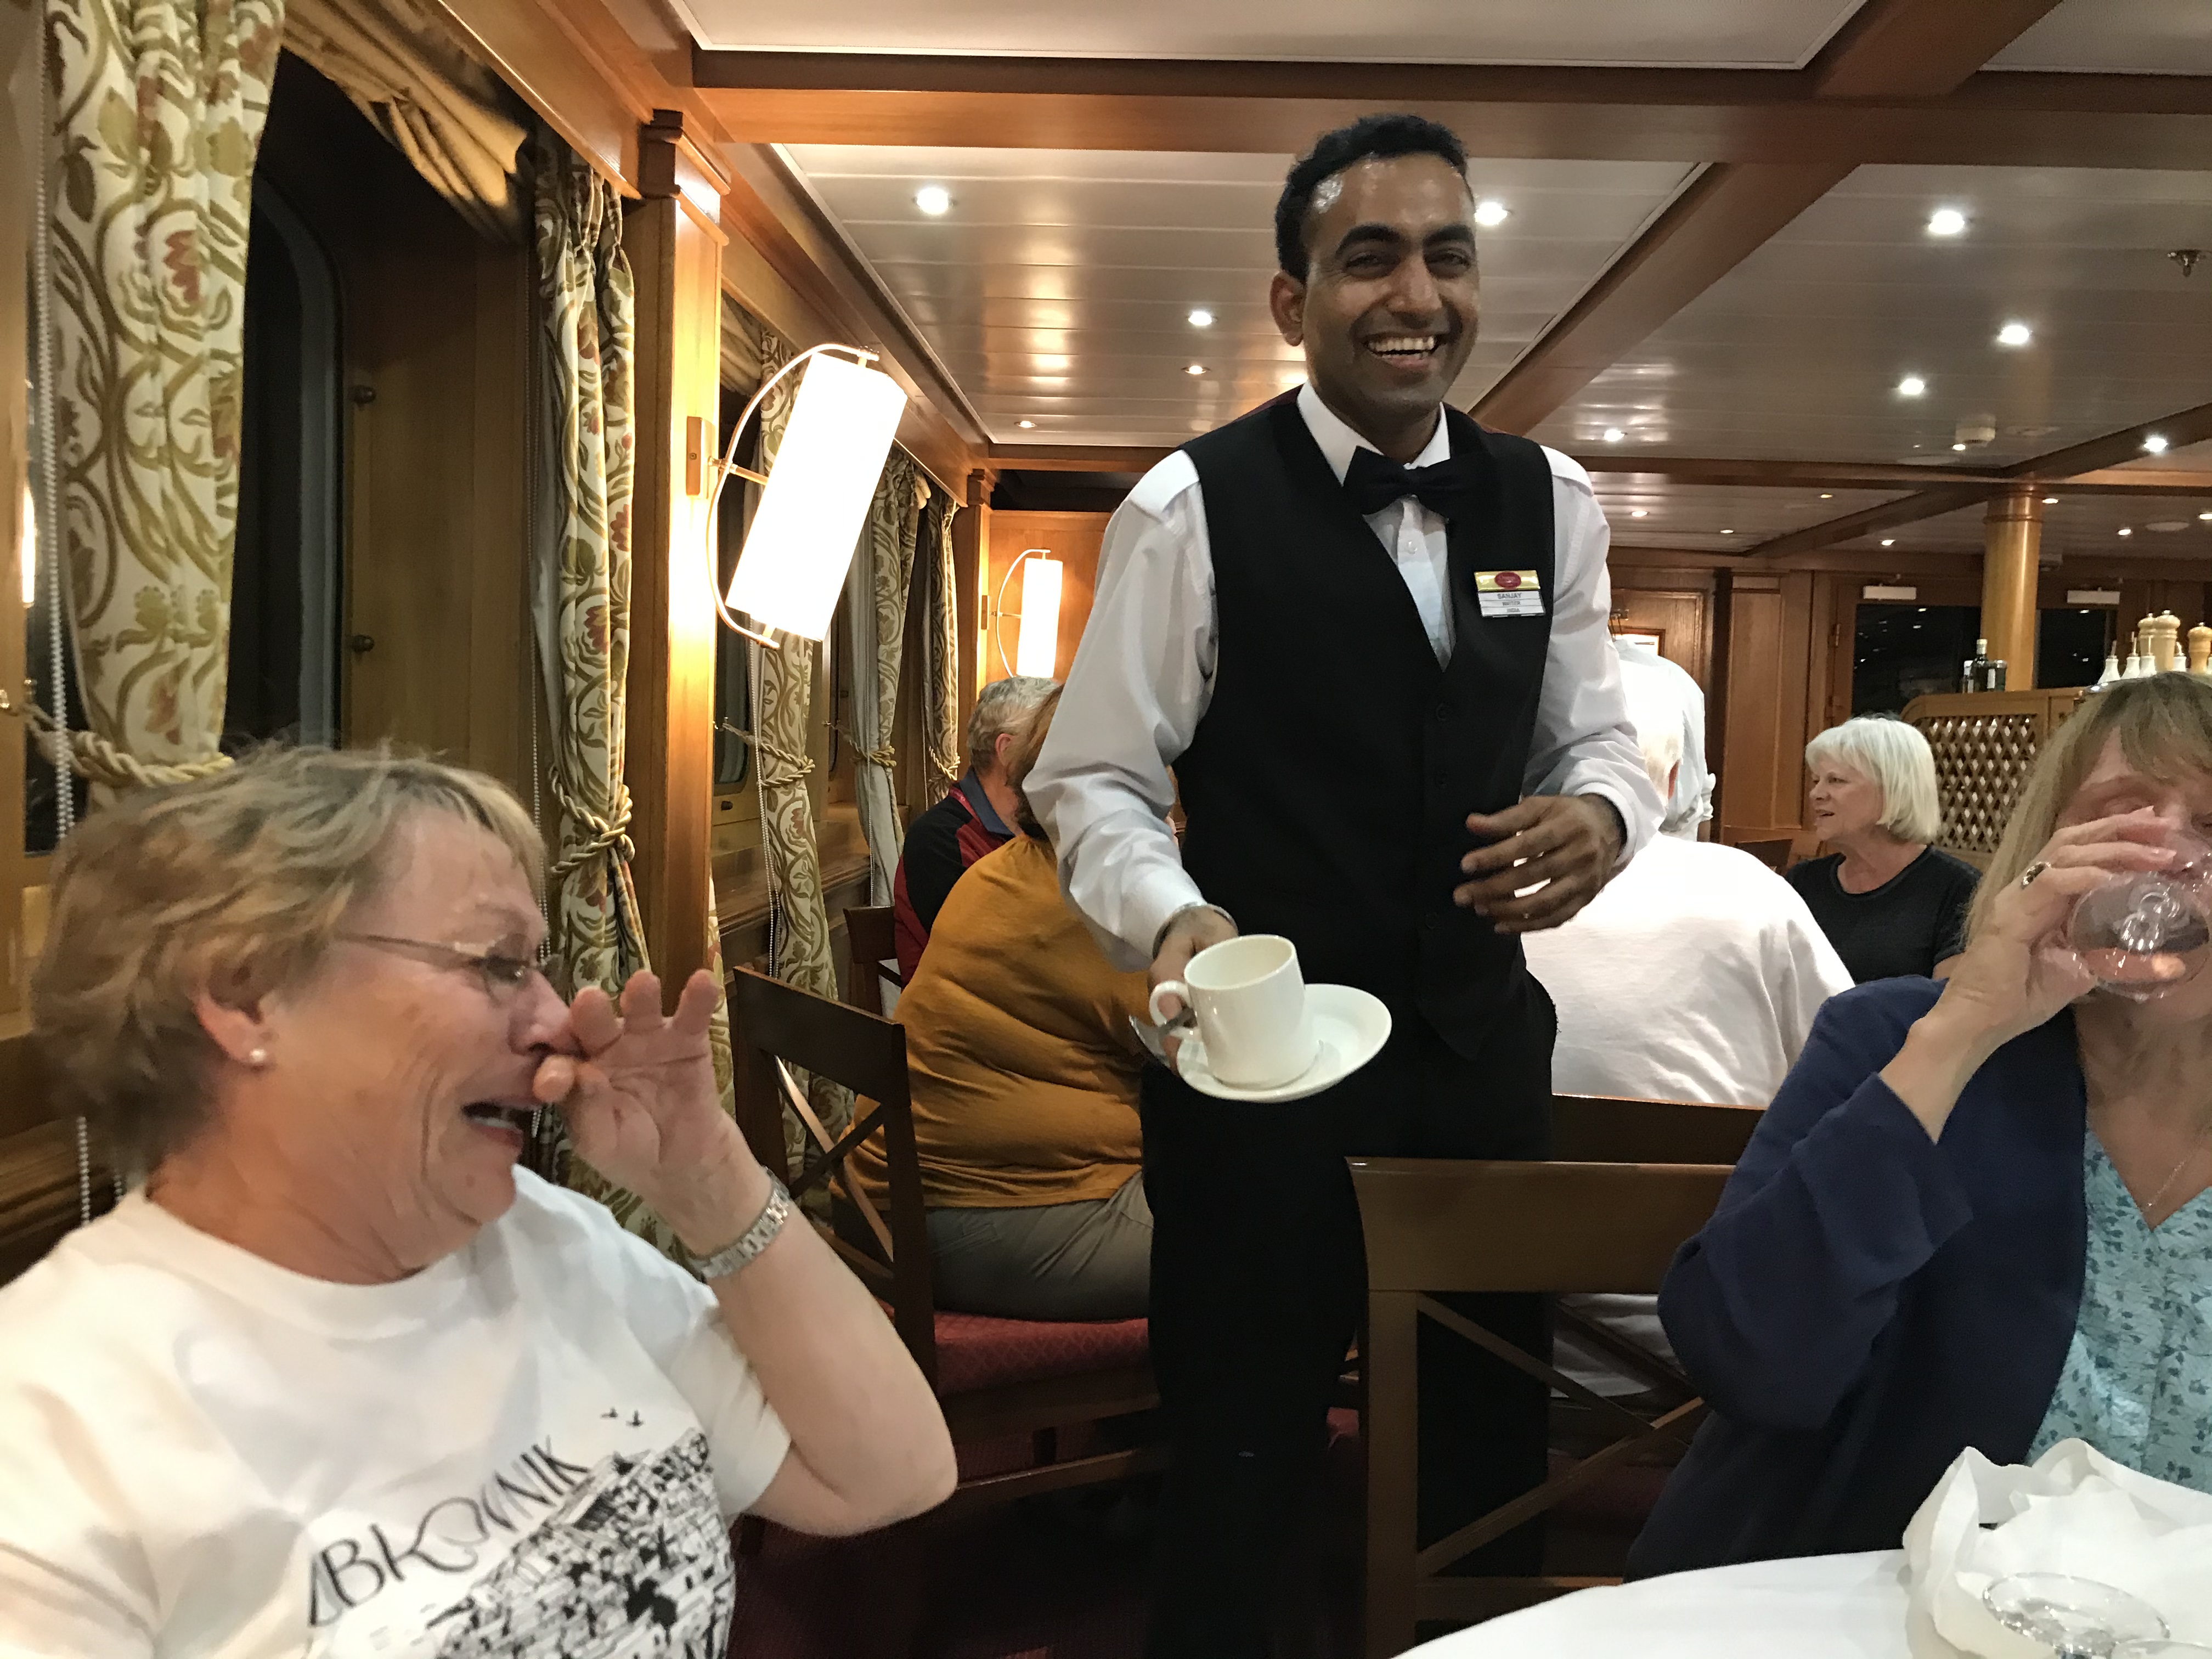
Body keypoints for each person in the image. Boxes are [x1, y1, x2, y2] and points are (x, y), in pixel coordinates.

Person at [1027, 112, 1661, 1656]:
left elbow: (1600, 736)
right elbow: (1090, 779)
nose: (1417, 295)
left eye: (1449, 257)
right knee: (1240, 1448)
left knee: (1486, 1447)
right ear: (1292, 299)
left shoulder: (1553, 503)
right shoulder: (1191, 508)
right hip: (1263, 1072)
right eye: (1369, 258)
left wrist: (1606, 815)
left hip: (1477, 1052)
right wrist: (1174, 915)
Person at [0, 748, 956, 1656]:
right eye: (498, 963)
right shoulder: (53, 1422)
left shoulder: (553, 1243)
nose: (555, 1019)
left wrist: (706, 1179)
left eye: (537, 964)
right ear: (247, 992)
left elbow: (890, 1473)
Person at [1632, 673, 2212, 1577]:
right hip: (1869, 1607)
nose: (2166, 858)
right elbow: (1753, 1361)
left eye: (2210, 826)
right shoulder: (1894, 1038)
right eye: (2118, 820)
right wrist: (1964, 1023)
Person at [1525, 665, 1850, 1400]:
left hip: (1486, 1343)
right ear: (1673, 785)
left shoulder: (1471, 894)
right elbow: (1857, 1092)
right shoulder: (1751, 891)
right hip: (1726, 1348)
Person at [853, 688, 1153, 1322]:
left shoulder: (1006, 867)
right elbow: (1203, 1049)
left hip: (898, 1203)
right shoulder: (1097, 898)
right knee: (1266, 1243)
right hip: (975, 1218)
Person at [1526, 662, 1852, 1110]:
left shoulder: (1464, 887)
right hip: (1716, 1155)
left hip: (1486, 1152)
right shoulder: (1748, 888)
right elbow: (1849, 1058)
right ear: (1674, 779)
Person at [1788, 714, 1978, 983]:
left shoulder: (1959, 890)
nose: (1816, 794)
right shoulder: (1803, 881)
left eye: (1836, 781)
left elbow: (1951, 1002)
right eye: (1816, 780)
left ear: (1893, 789)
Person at [892, 674, 1055, 980]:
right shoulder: (937, 840)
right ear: (1007, 751)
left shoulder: (1041, 828)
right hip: (963, 1005)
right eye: (1052, 742)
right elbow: (1001, 958)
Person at [1614, 633, 1713, 838]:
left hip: (1617, 835)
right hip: (1682, 841)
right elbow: (1704, 797)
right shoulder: (1683, 680)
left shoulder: (1600, 676)